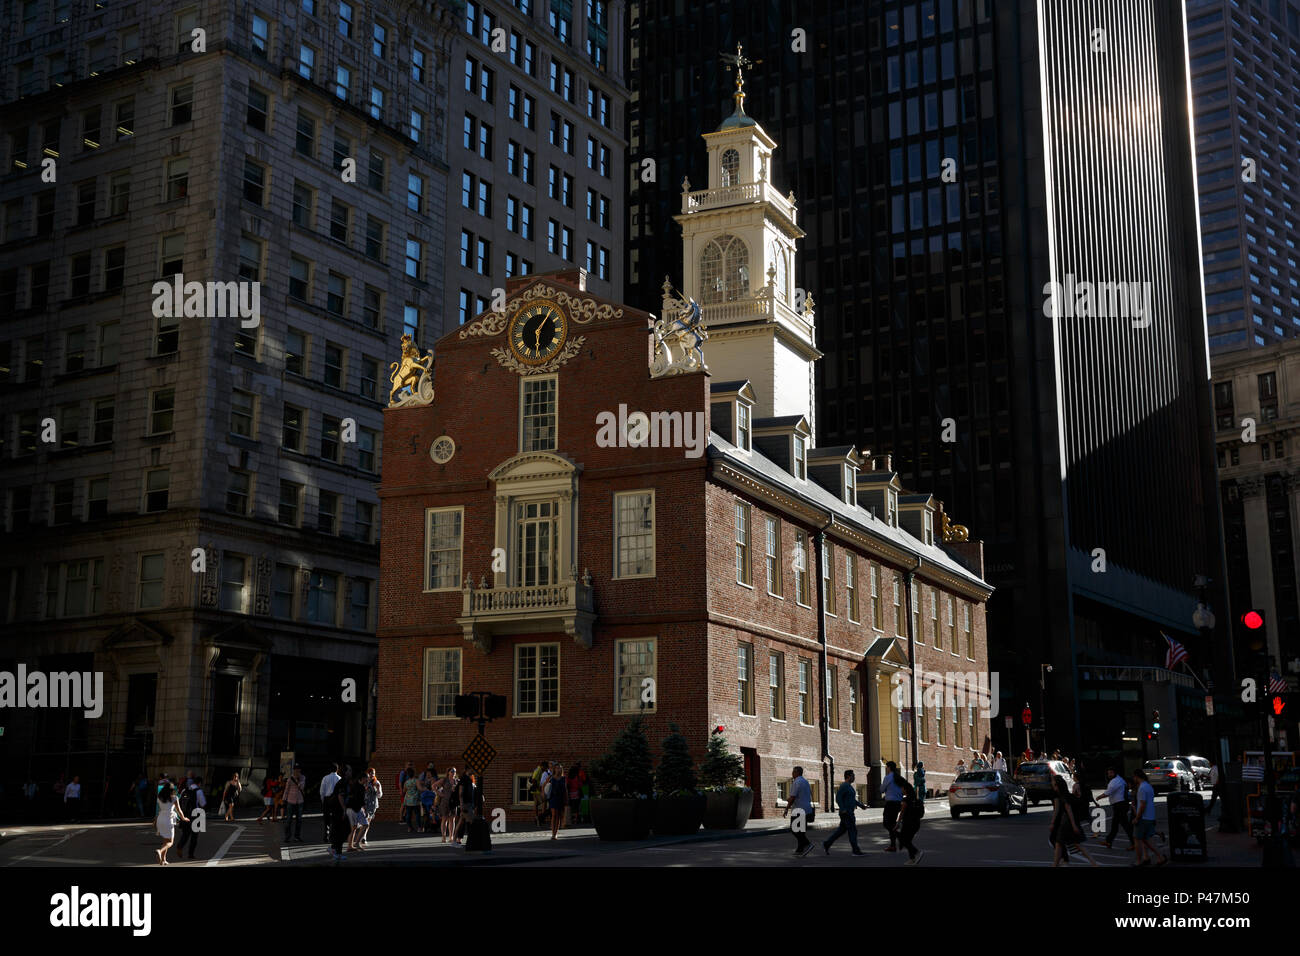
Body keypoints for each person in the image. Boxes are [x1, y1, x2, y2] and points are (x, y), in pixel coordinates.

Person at [1048, 774, 1092, 866]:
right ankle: (1059, 863)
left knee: (1070, 843)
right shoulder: (1066, 795)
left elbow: (1068, 811)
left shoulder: (1063, 796)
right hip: (1066, 823)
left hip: (1066, 824)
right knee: (1060, 843)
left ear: (1057, 785)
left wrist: (1073, 825)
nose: (1052, 784)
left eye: (1054, 783)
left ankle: (1062, 862)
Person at [823, 769, 867, 855]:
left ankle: (827, 843)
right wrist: (843, 809)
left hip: (849, 811)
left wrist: (861, 805)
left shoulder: (849, 786)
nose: (854, 777)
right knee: (852, 830)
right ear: (848, 776)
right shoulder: (844, 786)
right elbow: (838, 798)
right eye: (853, 776)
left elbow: (852, 800)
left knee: (841, 831)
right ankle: (855, 850)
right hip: (846, 813)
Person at [1131, 769, 1168, 866]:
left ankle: (1139, 861)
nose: (1133, 779)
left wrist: (1137, 818)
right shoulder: (1149, 786)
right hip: (1150, 817)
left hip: (1143, 818)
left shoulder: (1142, 788)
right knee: (1148, 840)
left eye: (1134, 777)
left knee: (1137, 839)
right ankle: (1160, 857)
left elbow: (1143, 805)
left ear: (1136, 776)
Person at [782, 765, 815, 856]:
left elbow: (793, 797)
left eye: (793, 772)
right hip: (807, 809)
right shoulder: (806, 781)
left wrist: (786, 809)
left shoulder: (796, 782)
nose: (792, 773)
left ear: (796, 772)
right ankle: (800, 850)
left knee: (794, 829)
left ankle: (808, 844)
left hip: (798, 809)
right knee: (801, 830)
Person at [894, 773, 925, 864]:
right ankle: (912, 859)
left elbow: (902, 812)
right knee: (907, 841)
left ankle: (917, 852)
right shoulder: (917, 799)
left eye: (902, 788)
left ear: (906, 789)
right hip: (916, 823)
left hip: (908, 823)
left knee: (903, 839)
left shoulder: (905, 800)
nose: (901, 790)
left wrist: (898, 823)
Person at [155, 783, 188, 866]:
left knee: (165, 840)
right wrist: (183, 818)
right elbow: (179, 810)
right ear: (172, 790)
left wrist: (154, 820)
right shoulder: (174, 798)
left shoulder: (159, 798)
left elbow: (159, 809)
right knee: (170, 842)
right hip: (168, 819)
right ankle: (160, 851)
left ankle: (163, 860)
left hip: (160, 819)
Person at [1102, 767, 1134, 849]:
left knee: (1125, 825)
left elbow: (1109, 791)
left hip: (1120, 805)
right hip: (1120, 805)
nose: (1109, 775)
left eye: (1110, 773)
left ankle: (1134, 842)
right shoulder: (1119, 780)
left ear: (1114, 773)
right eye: (1108, 773)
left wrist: (1099, 797)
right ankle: (1108, 841)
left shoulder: (1116, 781)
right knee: (1115, 824)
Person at [177, 775, 206, 860]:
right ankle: (191, 854)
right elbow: (203, 804)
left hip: (185, 814)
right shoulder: (199, 791)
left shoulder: (184, 790)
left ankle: (179, 846)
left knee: (185, 834)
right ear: (199, 783)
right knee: (194, 836)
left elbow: (180, 801)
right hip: (196, 814)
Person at [326, 766, 351, 862]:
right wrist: (344, 809)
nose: (351, 772)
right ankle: (334, 849)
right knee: (344, 829)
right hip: (338, 810)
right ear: (345, 772)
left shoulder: (345, 781)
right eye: (349, 770)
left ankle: (337, 852)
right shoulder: (342, 782)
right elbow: (340, 796)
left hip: (339, 809)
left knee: (343, 830)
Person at [881, 760, 904, 852]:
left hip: (890, 804)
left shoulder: (888, 777)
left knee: (886, 823)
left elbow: (882, 789)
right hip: (898, 803)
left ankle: (900, 838)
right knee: (892, 823)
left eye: (887, 767)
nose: (886, 769)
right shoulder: (899, 777)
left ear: (889, 768)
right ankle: (893, 845)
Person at [356, 768, 381, 849]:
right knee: (363, 821)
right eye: (370, 773)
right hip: (364, 804)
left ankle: (364, 838)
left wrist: (378, 789)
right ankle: (357, 835)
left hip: (372, 805)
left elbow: (379, 795)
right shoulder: (364, 782)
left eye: (373, 773)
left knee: (368, 822)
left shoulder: (376, 782)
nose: (372, 774)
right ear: (367, 774)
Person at [282, 765, 307, 842]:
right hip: (290, 801)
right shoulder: (290, 779)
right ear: (293, 770)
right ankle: (287, 836)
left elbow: (302, 787)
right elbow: (286, 790)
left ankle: (297, 836)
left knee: (299, 820)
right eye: (295, 770)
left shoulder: (303, 778)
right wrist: (284, 800)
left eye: (298, 770)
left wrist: (298, 780)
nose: (297, 772)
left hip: (300, 801)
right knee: (289, 819)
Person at [320, 763, 341, 841]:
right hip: (336, 800)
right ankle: (334, 836)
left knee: (326, 818)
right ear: (337, 769)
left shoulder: (325, 778)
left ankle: (326, 835)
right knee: (335, 818)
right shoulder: (339, 778)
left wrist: (323, 800)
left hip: (327, 799)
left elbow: (322, 791)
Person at [346, 771, 366, 851]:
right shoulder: (360, 787)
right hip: (354, 809)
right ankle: (353, 845)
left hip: (353, 808)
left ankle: (353, 845)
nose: (367, 780)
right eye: (366, 778)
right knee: (360, 826)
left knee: (357, 827)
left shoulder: (353, 785)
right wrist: (365, 809)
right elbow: (361, 800)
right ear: (362, 778)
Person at [548, 762, 567, 839]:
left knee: (558, 816)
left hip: (561, 798)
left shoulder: (563, 778)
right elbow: (544, 786)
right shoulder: (551, 778)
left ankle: (555, 834)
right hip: (553, 798)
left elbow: (566, 790)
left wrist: (567, 799)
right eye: (556, 768)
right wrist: (544, 794)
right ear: (554, 769)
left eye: (559, 768)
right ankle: (553, 833)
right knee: (554, 815)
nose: (558, 769)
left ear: (561, 769)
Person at [401, 767, 422, 832]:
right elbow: (419, 788)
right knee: (417, 814)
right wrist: (425, 789)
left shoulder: (406, 782)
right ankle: (419, 828)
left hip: (408, 800)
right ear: (414, 773)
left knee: (408, 815)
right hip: (415, 800)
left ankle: (409, 828)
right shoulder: (416, 780)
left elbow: (404, 791)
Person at [530, 760, 550, 826]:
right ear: (543, 766)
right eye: (546, 767)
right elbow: (534, 780)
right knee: (543, 802)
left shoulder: (537, 769)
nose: (546, 769)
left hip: (535, 790)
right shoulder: (539, 770)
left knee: (536, 804)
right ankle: (540, 818)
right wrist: (539, 788)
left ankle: (537, 818)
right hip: (537, 790)